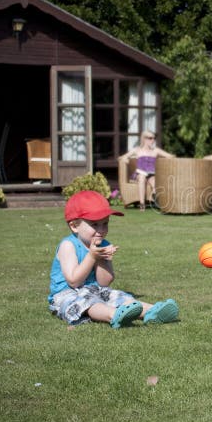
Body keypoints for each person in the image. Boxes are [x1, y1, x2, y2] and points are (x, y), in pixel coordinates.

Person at [48, 190, 179, 328]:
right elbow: (74, 281)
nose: (102, 229)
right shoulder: (68, 245)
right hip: (67, 295)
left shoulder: (103, 244)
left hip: (94, 289)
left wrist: (101, 259)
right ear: (74, 226)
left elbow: (104, 282)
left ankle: (153, 311)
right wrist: (92, 256)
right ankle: (115, 315)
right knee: (90, 303)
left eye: (105, 223)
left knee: (118, 296)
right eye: (95, 224)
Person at [120, 130, 174, 211]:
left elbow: (170, 156)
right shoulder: (137, 150)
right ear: (144, 139)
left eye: (154, 138)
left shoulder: (155, 150)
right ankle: (142, 204)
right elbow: (122, 157)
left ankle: (156, 198)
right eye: (150, 138)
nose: (153, 140)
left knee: (154, 182)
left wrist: (168, 161)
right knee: (142, 177)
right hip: (139, 173)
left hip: (151, 174)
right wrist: (125, 160)